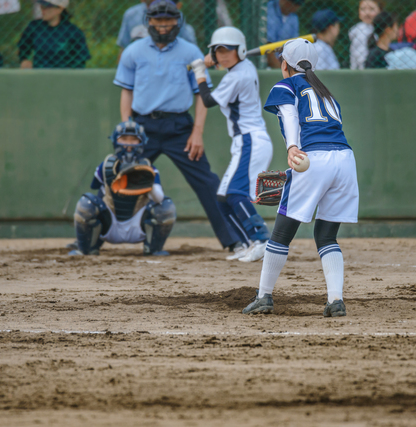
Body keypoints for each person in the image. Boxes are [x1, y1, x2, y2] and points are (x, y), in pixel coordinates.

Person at [242, 39, 359, 317]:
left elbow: (290, 115)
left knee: (281, 233)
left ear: (285, 65)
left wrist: (292, 146)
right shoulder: (327, 93)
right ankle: (335, 300)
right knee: (326, 235)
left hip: (312, 159)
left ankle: (264, 297)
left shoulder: (285, 85)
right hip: (344, 160)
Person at [114, 0, 241, 252]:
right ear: (148, 22)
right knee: (117, 175)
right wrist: (127, 126)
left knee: (207, 182)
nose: (163, 26)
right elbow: (127, 91)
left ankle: (235, 240)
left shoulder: (191, 52)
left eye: (169, 20)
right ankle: (93, 237)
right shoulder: (133, 51)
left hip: (179, 127)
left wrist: (197, 132)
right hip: (141, 127)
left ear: (178, 21)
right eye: (158, 21)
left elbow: (200, 95)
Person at [190, 27, 273, 262]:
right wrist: (212, 62)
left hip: (250, 139)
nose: (223, 56)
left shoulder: (237, 75)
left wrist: (200, 72)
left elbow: (206, 100)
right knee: (223, 198)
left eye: (228, 51)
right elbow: (224, 67)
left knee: (236, 194)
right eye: (218, 52)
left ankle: (262, 240)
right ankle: (248, 243)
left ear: (241, 51)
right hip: (244, 140)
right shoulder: (243, 67)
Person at [70, 119, 176, 256]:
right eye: (124, 139)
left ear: (142, 143)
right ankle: (87, 247)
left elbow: (159, 198)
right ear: (115, 141)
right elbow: (98, 196)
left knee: (166, 206)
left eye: (134, 140)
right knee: (87, 203)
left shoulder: (148, 168)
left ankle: (153, 248)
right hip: (110, 225)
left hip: (137, 225)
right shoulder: (106, 166)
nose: (129, 145)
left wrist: (146, 182)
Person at [18, 0, 90, 69]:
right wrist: (24, 60)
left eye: (46, 6)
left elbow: (81, 60)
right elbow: (23, 48)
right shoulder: (34, 27)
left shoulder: (73, 32)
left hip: (64, 78)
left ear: (60, 9)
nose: (42, 9)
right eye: (42, 6)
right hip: (40, 76)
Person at [117, 0, 197, 53]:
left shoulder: (174, 13)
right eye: (158, 20)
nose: (163, 24)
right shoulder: (131, 14)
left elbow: (189, 48)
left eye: (167, 19)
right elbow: (124, 47)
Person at [266, 0, 304, 68]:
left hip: (284, 60)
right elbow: (268, 46)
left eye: (297, 5)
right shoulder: (269, 10)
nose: (294, 7)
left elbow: (293, 47)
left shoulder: (294, 18)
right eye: (291, 2)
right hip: (266, 62)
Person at [349, 0, 383, 70]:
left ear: (380, 10)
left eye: (371, 9)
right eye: (363, 9)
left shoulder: (380, 29)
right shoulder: (360, 31)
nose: (367, 13)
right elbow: (359, 57)